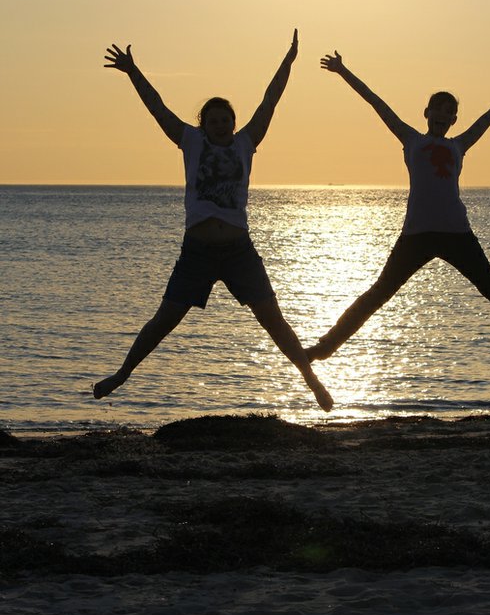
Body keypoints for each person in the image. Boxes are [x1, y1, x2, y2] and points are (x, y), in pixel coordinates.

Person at [93, 31, 333, 412]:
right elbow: (158, 109)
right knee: (164, 320)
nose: (221, 125)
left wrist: (288, 62)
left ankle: (313, 382)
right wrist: (133, 71)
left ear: (234, 123)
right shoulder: (189, 140)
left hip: (239, 250)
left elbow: (270, 101)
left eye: (227, 120)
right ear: (203, 123)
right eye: (214, 120)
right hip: (198, 251)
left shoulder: (245, 143)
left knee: (274, 320)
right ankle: (122, 374)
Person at [306, 51, 490, 362]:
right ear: (427, 112)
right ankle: (324, 347)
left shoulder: (458, 145)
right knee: (378, 294)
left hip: (456, 234)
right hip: (417, 235)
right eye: (438, 109)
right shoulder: (411, 140)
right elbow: (376, 102)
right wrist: (343, 71)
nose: (443, 116)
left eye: (449, 112)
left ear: (453, 120)